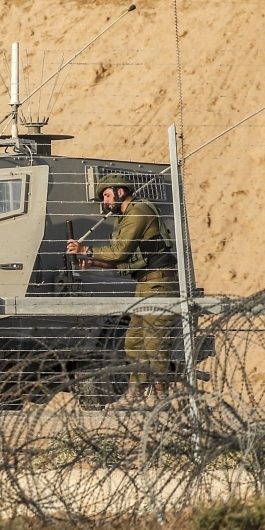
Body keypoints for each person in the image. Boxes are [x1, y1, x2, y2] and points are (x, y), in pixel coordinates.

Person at [66, 173, 178, 409]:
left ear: (120, 191)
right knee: (135, 341)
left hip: (160, 284)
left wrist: (86, 249)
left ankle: (161, 396)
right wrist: (93, 261)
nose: (105, 202)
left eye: (107, 195)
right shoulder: (125, 218)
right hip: (146, 284)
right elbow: (124, 261)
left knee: (155, 342)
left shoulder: (138, 212)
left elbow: (119, 251)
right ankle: (136, 394)